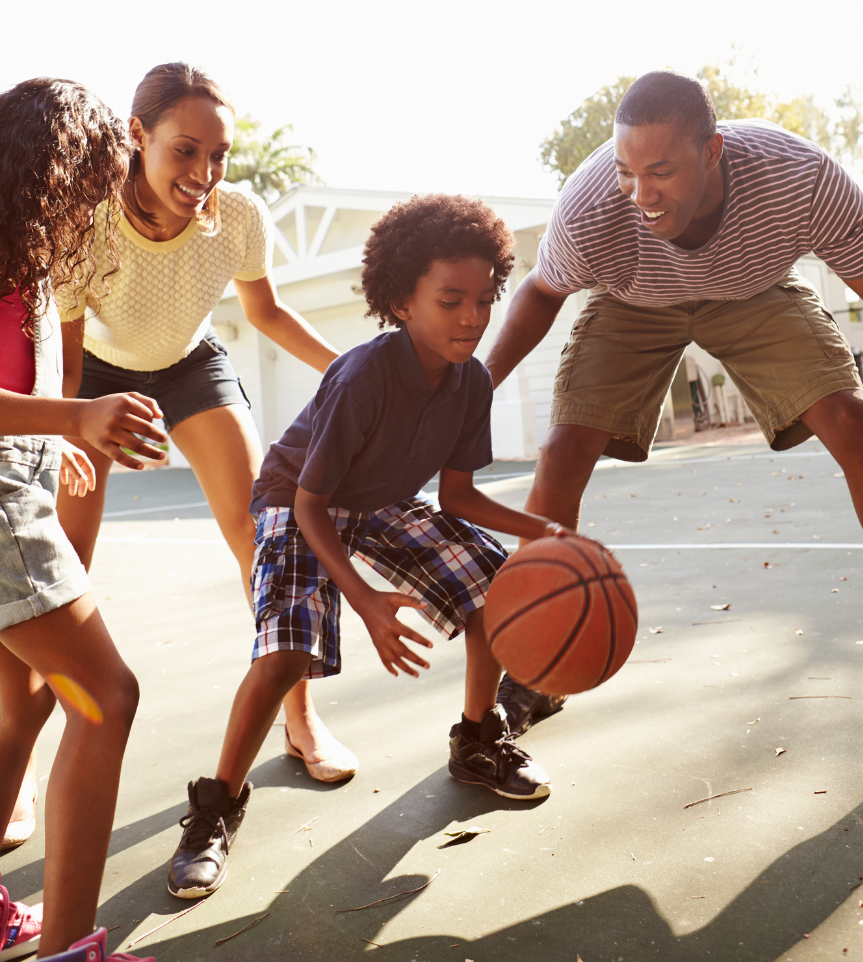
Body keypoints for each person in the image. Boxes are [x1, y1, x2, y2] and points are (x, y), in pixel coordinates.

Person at [166, 195, 577, 899]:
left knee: (493, 591)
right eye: (451, 300)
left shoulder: (472, 381)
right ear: (401, 301)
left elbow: (458, 498)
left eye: (484, 300)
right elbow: (311, 505)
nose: (473, 317)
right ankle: (214, 809)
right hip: (299, 499)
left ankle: (477, 741)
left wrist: (544, 532)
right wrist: (364, 599)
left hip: (381, 500)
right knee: (286, 652)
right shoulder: (363, 375)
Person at [485, 70, 863, 734]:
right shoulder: (592, 207)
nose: (641, 195)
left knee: (853, 421)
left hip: (753, 291)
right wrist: (476, 389)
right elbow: (540, 292)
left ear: (712, 151)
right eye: (627, 171)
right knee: (561, 450)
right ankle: (533, 671)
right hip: (634, 302)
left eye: (662, 173)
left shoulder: (800, 179)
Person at [45, 62, 355, 795]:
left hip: (191, 364)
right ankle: (18, 747)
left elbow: (265, 312)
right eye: (185, 150)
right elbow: (66, 362)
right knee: (64, 561)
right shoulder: (87, 221)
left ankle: (299, 717)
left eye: (218, 155)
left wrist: (350, 370)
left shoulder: (238, 216)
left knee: (263, 534)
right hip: (95, 375)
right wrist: (61, 433)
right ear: (137, 135)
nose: (204, 173)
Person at [1, 77, 162, 961]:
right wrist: (74, 417)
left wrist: (48, 438)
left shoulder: (27, 258)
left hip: (16, 479)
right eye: (94, 182)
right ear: (51, 172)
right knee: (105, 697)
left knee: (19, 710)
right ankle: (70, 951)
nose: (100, 204)